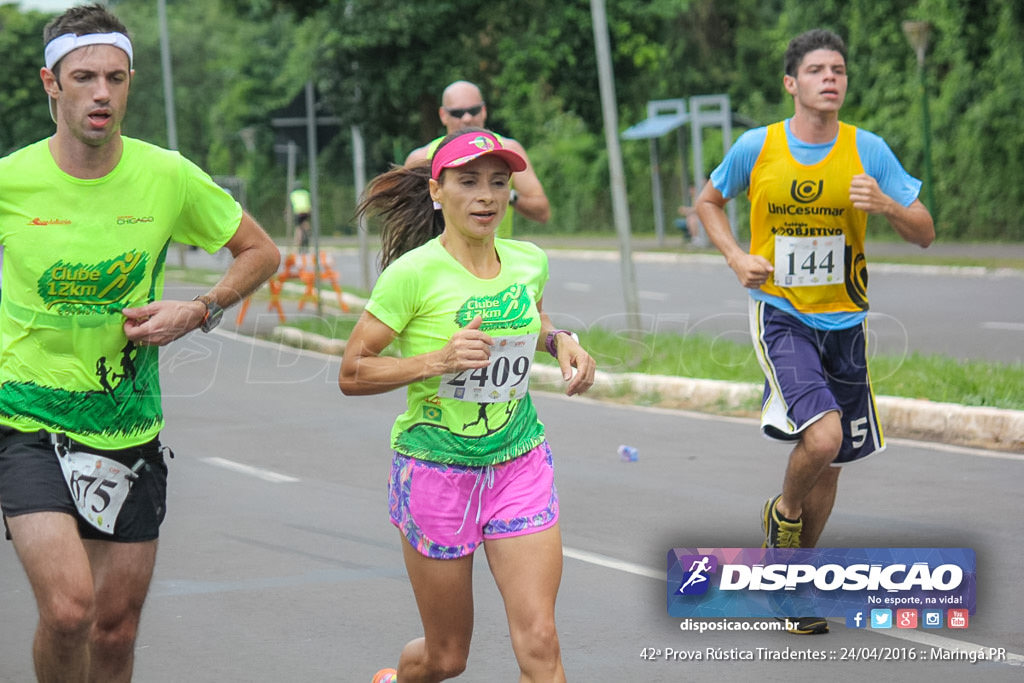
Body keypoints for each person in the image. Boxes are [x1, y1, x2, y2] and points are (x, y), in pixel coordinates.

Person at [0, 5, 280, 681]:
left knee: (115, 630)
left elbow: (261, 252)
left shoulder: (167, 176)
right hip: (28, 423)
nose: (102, 92)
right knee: (69, 609)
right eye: (85, 77)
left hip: (128, 427)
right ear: (51, 83)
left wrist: (199, 308)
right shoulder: (11, 180)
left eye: (116, 78)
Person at [695, 28, 934, 635]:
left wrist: (887, 206)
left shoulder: (867, 150)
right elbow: (708, 202)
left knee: (834, 462)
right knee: (823, 438)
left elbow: (925, 230)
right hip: (782, 314)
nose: (831, 78)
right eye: (818, 69)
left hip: (846, 323)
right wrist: (734, 257)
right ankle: (784, 514)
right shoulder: (758, 146)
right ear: (791, 83)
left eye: (840, 70)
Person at [340, 128, 595, 682]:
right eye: (469, 182)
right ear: (437, 192)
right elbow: (353, 371)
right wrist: (437, 360)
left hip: (517, 461)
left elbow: (533, 320)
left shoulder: (529, 261)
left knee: (541, 642)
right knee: (446, 658)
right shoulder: (411, 275)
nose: (486, 195)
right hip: (436, 470)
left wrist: (559, 341)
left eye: (499, 183)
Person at [405, 80, 550, 237]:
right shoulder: (421, 157)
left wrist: (508, 194)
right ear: (443, 115)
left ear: (484, 111)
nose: (467, 118)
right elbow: (405, 223)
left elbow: (542, 211)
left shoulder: (508, 149)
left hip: (496, 258)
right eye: (457, 113)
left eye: (473, 111)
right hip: (442, 257)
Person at [289, 186, 312, 253]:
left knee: (298, 228)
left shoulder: (293, 194)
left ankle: (298, 245)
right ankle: (308, 231)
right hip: (306, 211)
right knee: (305, 222)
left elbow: (291, 205)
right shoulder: (305, 193)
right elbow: (309, 202)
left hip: (298, 212)